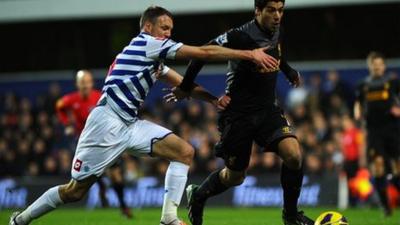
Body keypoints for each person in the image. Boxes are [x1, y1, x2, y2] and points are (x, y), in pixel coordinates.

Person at [8, 5, 277, 225]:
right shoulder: (146, 44)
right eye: (164, 28)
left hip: (129, 124)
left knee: (184, 152)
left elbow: (182, 84)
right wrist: (249, 54)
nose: (168, 34)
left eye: (171, 29)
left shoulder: (152, 57)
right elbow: (203, 52)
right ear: (148, 27)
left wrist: (212, 99)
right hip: (106, 122)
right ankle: (20, 220)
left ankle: (169, 218)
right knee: (74, 191)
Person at [166, 1, 315, 224]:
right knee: (235, 176)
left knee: (293, 155)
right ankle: (198, 195)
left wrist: (288, 70)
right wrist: (186, 86)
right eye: (271, 10)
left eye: (280, 10)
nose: (277, 15)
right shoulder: (239, 36)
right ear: (258, 11)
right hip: (238, 115)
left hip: (267, 110)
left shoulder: (277, 30)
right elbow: (201, 54)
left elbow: (277, 53)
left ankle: (291, 216)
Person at [56, 70, 133, 218]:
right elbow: (59, 106)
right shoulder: (71, 100)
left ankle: (123, 206)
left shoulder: (100, 97)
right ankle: (102, 186)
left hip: (106, 142)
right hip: (86, 143)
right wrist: (67, 124)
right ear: (77, 84)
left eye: (87, 81)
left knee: (116, 175)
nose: (85, 85)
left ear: (91, 83)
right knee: (90, 173)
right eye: (82, 82)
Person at [354, 51, 400, 216]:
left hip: (392, 130)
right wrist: (357, 113)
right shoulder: (363, 85)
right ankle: (385, 206)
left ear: (384, 66)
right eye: (374, 65)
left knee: (396, 170)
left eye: (380, 64)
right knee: (378, 167)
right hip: (374, 131)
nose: (377, 67)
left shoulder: (393, 81)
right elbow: (358, 103)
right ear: (370, 66)